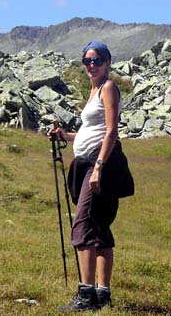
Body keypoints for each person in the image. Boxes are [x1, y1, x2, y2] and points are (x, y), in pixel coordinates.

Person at [49, 41, 131, 312]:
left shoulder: (108, 88)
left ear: (107, 62)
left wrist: (97, 167)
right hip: (88, 163)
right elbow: (89, 131)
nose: (91, 66)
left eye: (96, 61)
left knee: (82, 225)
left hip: (100, 166)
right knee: (99, 227)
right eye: (87, 61)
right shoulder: (93, 90)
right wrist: (65, 136)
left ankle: (86, 297)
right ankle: (102, 294)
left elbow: (111, 132)